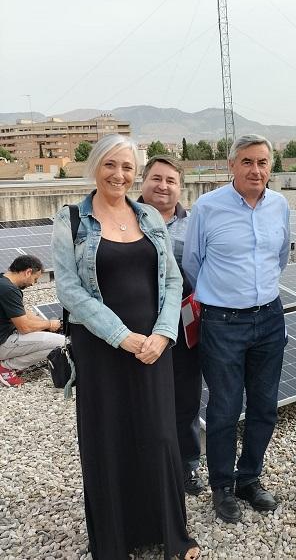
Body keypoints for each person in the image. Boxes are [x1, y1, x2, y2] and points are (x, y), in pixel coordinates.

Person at [52, 135, 200, 560]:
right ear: (95, 166)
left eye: (127, 167)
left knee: (159, 438)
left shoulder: (149, 216)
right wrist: (121, 335)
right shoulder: (72, 220)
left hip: (153, 345)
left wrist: (163, 334)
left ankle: (172, 534)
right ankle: (116, 541)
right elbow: (69, 289)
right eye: (110, 165)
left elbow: (173, 280)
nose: (119, 175)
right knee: (109, 439)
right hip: (101, 347)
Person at [183, 134, 290, 524]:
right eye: (247, 162)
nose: (256, 170)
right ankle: (222, 488)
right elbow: (193, 264)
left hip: (269, 318)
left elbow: (279, 257)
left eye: (262, 162)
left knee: (264, 407)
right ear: (231, 166)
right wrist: (226, 295)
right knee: (226, 409)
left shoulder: (279, 206)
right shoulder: (207, 208)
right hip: (222, 323)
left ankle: (250, 479)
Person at [139, 155, 205, 496]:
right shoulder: (123, 219)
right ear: (143, 181)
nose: (163, 186)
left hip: (183, 324)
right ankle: (146, 466)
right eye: (156, 178)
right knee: (140, 398)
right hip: (135, 326)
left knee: (185, 399)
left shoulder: (194, 223)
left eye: (170, 181)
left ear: (180, 188)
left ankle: (188, 466)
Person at [0, 255, 63, 387]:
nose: (33, 284)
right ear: (28, 272)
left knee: (47, 335)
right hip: (3, 343)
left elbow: (22, 313)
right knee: (61, 344)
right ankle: (6, 367)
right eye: (35, 279)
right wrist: (49, 324)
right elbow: (25, 327)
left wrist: (44, 323)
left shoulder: (3, 282)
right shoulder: (9, 290)